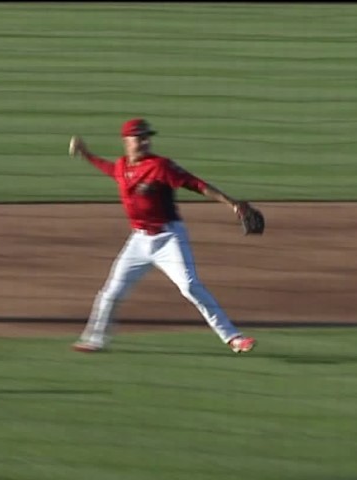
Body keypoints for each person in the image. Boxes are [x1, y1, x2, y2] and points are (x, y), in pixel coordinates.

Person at [68, 118, 257, 354]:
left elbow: (195, 184)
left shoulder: (160, 166)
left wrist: (232, 204)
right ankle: (94, 340)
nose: (144, 142)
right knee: (111, 292)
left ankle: (233, 338)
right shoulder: (122, 166)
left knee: (189, 286)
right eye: (139, 138)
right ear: (126, 141)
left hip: (169, 238)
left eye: (146, 137)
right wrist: (86, 153)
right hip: (138, 241)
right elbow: (108, 168)